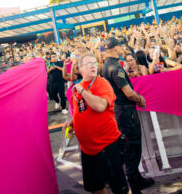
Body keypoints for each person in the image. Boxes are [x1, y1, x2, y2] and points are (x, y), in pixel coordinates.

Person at [65, 53, 130, 194]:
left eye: (94, 63)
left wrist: (83, 91)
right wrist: (73, 122)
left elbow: (100, 106)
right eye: (89, 63)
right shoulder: (78, 87)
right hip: (88, 150)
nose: (93, 66)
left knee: (120, 189)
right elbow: (81, 109)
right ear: (80, 68)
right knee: (96, 188)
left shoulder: (102, 83)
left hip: (107, 146)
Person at [102, 37, 154, 193]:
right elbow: (129, 93)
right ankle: (135, 184)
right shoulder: (115, 68)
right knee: (132, 147)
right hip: (126, 112)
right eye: (120, 47)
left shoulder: (106, 65)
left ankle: (136, 178)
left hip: (120, 111)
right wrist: (140, 98)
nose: (122, 49)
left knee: (129, 147)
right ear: (116, 48)